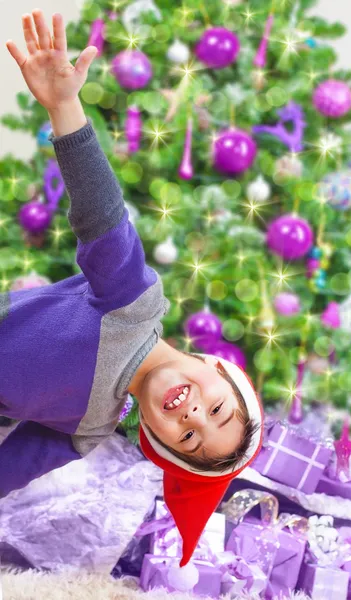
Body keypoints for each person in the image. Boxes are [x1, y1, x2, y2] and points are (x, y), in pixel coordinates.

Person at [2, 9, 264, 566]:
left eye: (189, 438)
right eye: (216, 409)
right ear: (215, 368)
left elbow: (8, 468)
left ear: (158, 440)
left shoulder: (87, 432)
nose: (193, 416)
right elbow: (100, 214)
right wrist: (64, 106)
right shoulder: (134, 305)